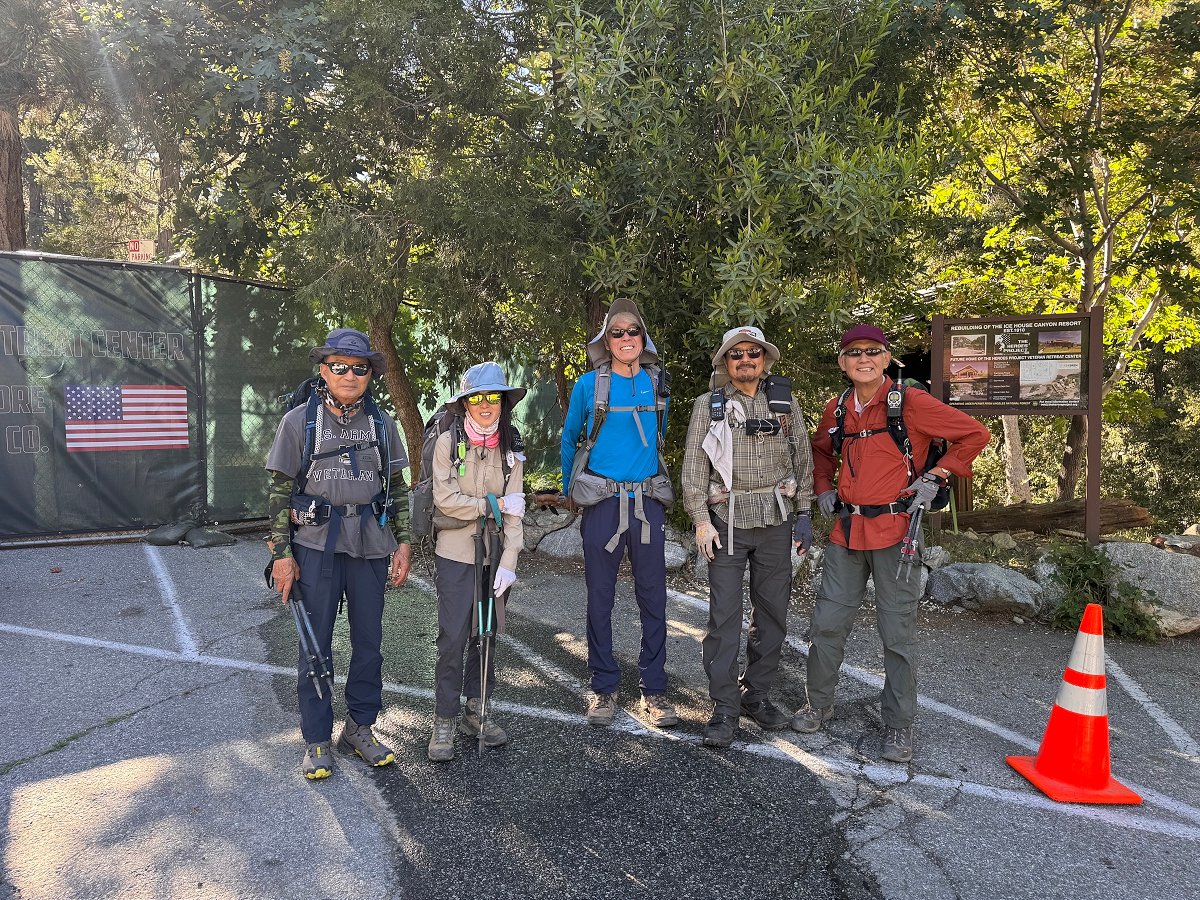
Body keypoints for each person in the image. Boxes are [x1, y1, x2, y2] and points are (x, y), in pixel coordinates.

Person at [795, 324, 990, 762]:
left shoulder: (910, 402)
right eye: (853, 352)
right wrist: (823, 486)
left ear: (886, 359)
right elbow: (820, 452)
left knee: (897, 634)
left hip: (897, 533)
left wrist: (937, 474)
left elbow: (975, 434)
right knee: (827, 625)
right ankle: (818, 704)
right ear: (842, 362)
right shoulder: (837, 408)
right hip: (847, 532)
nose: (863, 358)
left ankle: (899, 725)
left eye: (872, 351)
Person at [266, 328, 412, 780]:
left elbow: (397, 490)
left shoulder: (383, 425)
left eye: (359, 368)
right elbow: (278, 492)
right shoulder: (298, 422)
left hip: (371, 546)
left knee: (369, 644)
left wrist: (404, 542)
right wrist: (282, 554)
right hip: (314, 547)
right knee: (315, 645)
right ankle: (316, 738)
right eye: (340, 366)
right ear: (324, 370)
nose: (350, 375)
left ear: (370, 374)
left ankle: (359, 729)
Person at [681, 325, 814, 749]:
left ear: (765, 359)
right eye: (736, 353)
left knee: (772, 615)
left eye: (753, 352)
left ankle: (755, 696)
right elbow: (693, 466)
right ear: (725, 361)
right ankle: (724, 707)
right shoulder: (709, 405)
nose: (745, 360)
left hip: (776, 520)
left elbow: (803, 459)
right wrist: (701, 520)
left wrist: (805, 513)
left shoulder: (784, 403)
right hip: (726, 522)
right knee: (723, 619)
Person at [561, 298, 678, 729]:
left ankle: (654, 689)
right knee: (600, 597)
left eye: (633, 331)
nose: (626, 337)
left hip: (647, 504)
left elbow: (659, 437)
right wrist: (570, 489)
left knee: (653, 596)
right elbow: (569, 438)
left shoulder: (657, 382)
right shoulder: (588, 385)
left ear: (643, 338)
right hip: (603, 505)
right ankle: (603, 686)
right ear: (606, 340)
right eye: (617, 332)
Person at [427, 362, 526, 762]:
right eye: (477, 398)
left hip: (495, 557)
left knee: (485, 635)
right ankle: (444, 719)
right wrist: (493, 505)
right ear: (465, 403)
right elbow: (445, 500)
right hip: (454, 554)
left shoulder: (512, 447)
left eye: (493, 397)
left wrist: (510, 561)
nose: (486, 405)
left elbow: (517, 512)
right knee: (453, 637)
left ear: (503, 402)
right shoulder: (447, 443)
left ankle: (476, 710)